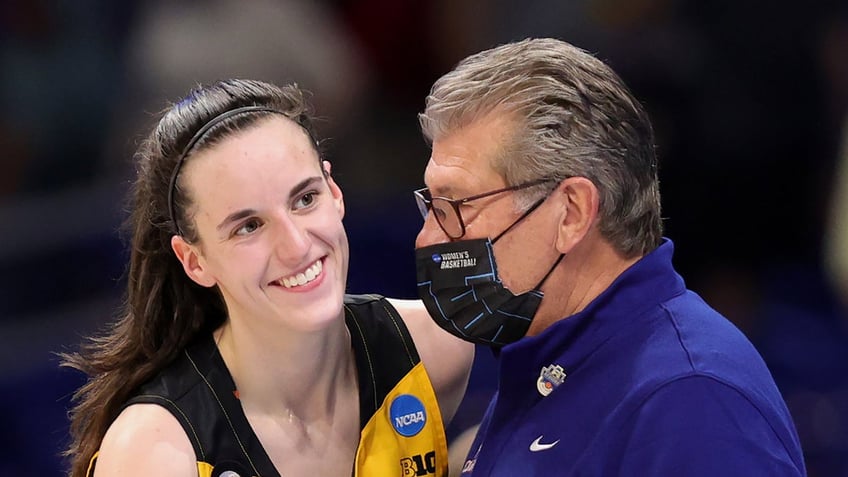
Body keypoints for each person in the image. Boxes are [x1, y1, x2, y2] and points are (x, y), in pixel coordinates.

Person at [412, 38, 807, 476]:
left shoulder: (690, 400)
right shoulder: (548, 361)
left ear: (572, 213)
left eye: (457, 207)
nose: (428, 238)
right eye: (431, 207)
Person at [61, 78, 474, 477]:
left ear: (335, 193)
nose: (295, 246)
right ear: (194, 261)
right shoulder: (155, 454)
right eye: (249, 226)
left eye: (305, 199)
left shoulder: (437, 348)